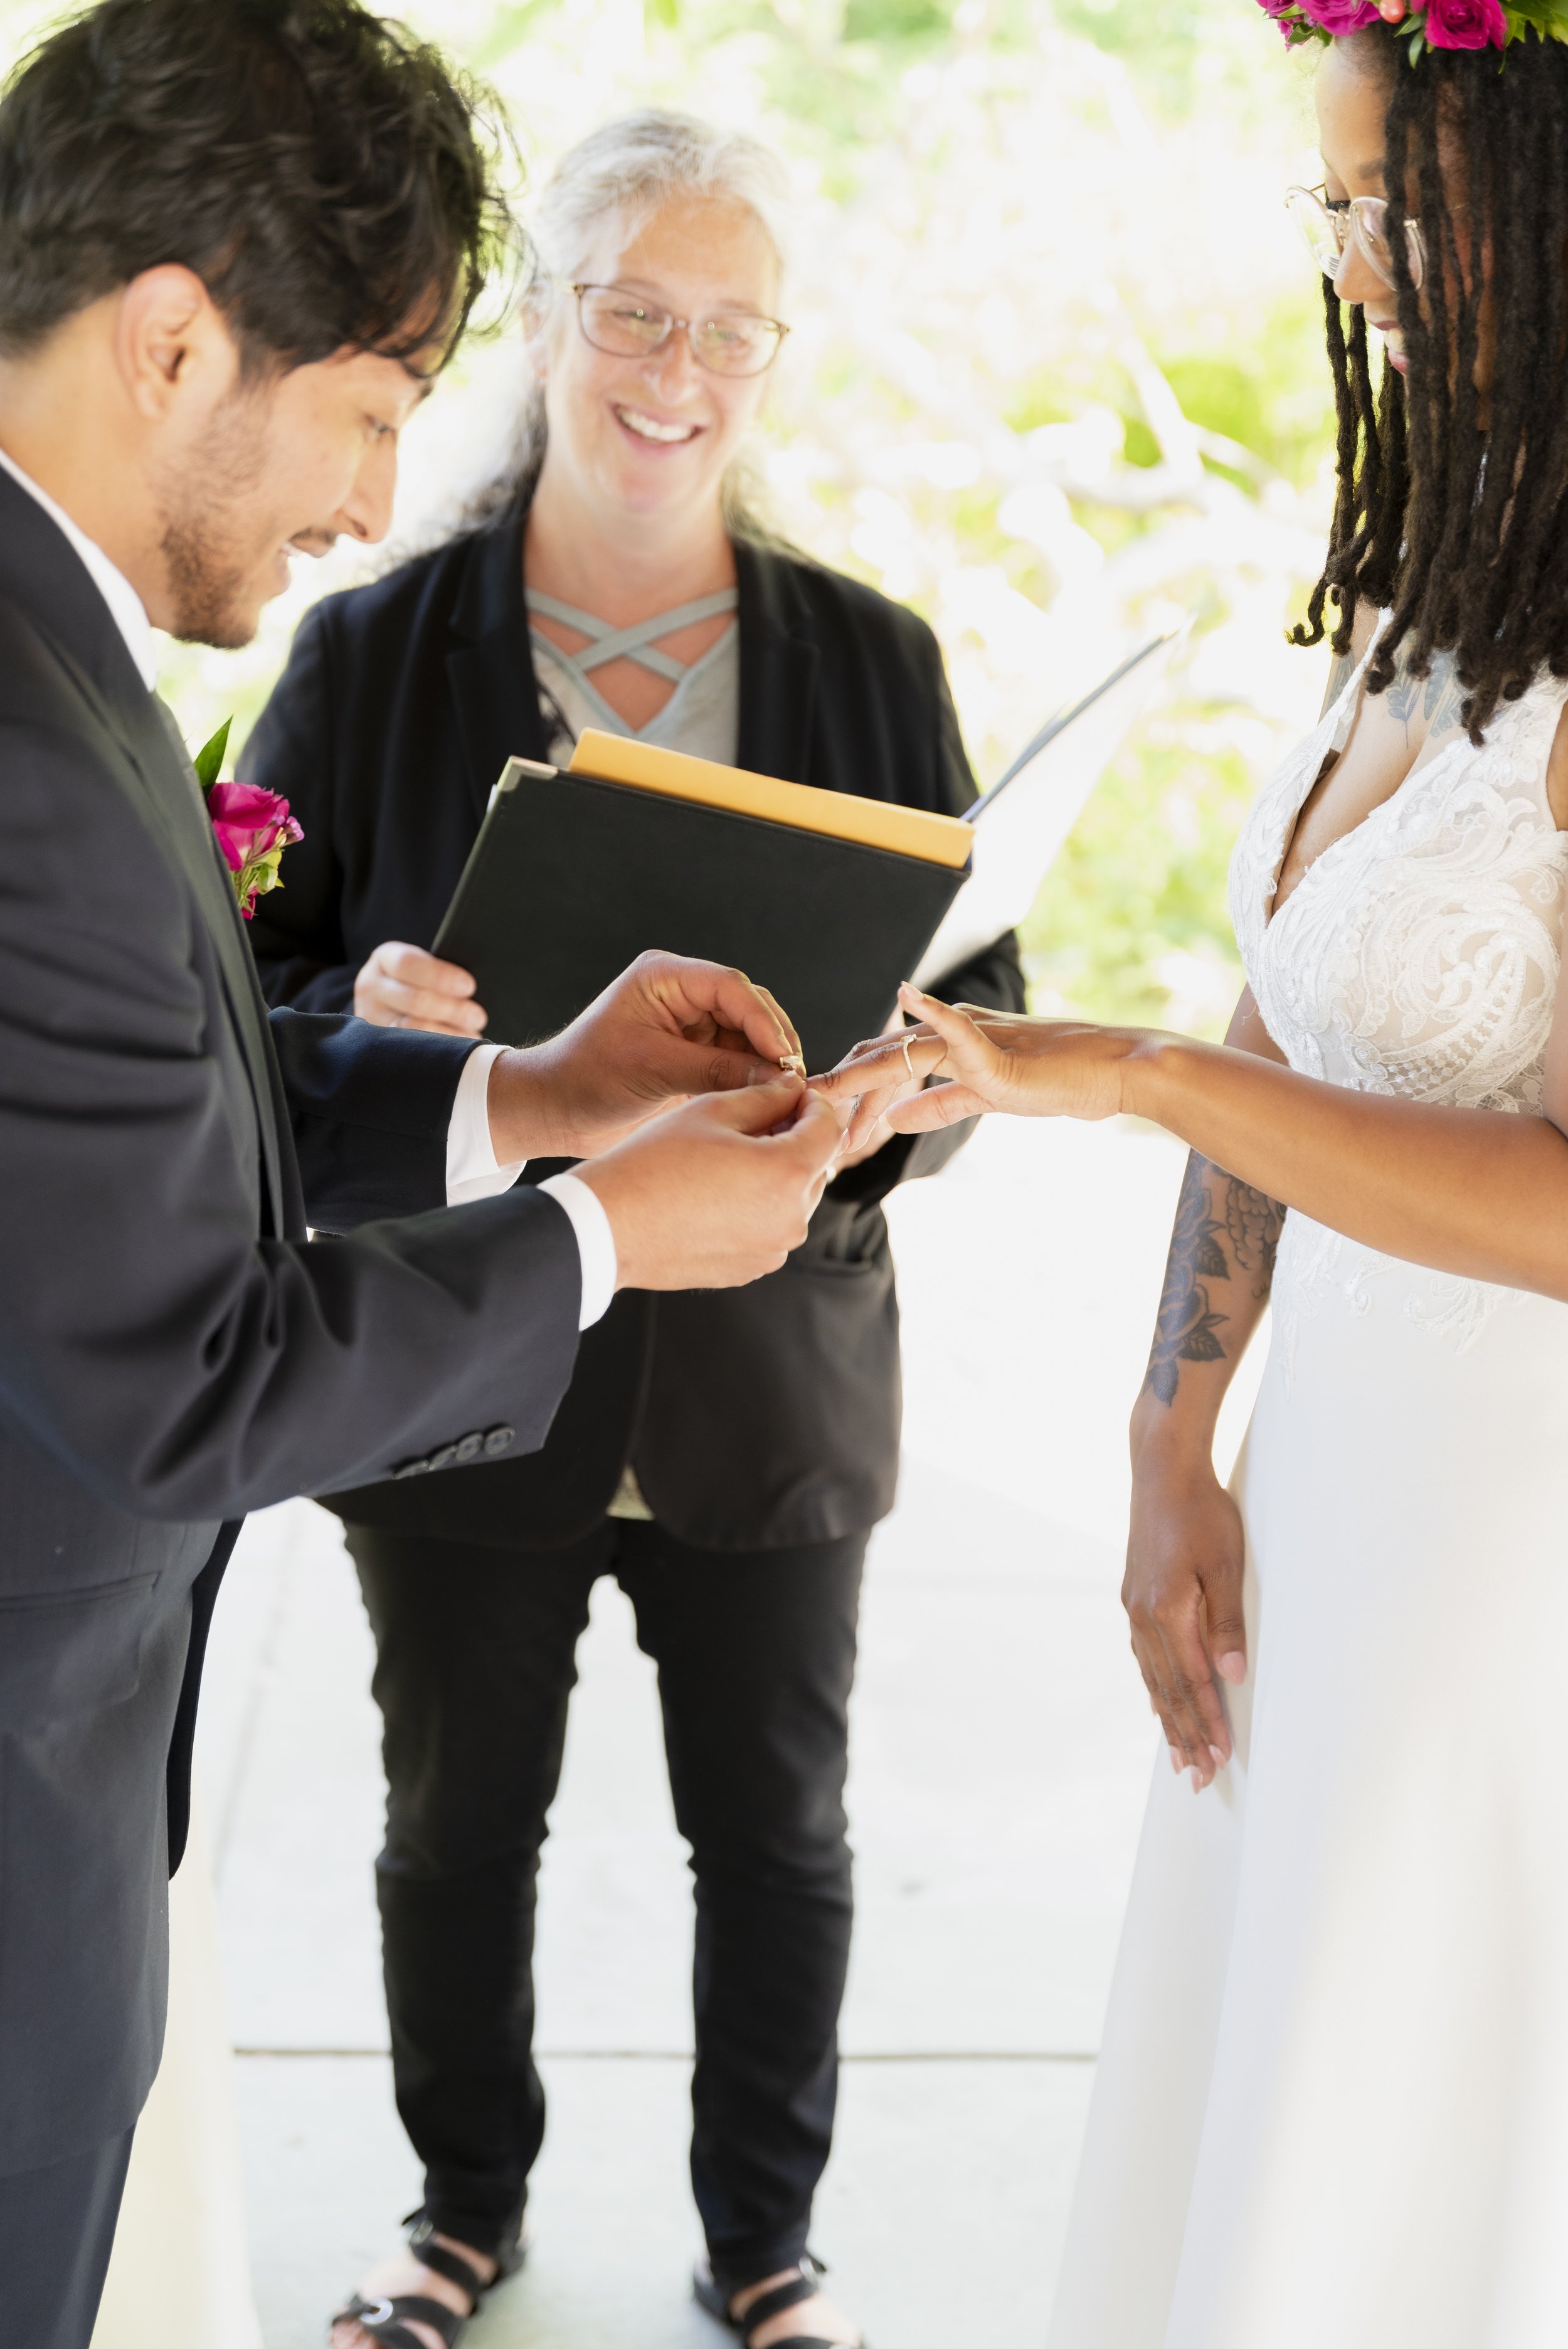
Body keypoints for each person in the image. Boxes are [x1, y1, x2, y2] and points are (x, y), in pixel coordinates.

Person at [0, 11, 846, 2345]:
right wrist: (598, 1236)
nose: (375, 499)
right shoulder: (39, 739)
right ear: (175, 339)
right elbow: (180, 1381)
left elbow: (100, 1135)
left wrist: (517, 1101)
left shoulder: (55, 658)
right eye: (369, 413)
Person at [243, 108, 1025, 2349]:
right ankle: (455, 2211)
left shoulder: (868, 662)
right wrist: (362, 1013)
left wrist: (878, 1100)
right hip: (463, 1351)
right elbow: (241, 1001)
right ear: (553, 325)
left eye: (729, 331)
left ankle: (764, 2245)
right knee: (450, 1819)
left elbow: (978, 1017)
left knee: (773, 1831)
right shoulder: (375, 650)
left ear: (772, 360)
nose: (675, 371)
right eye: (633, 313)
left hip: (773, 1368)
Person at [820, 9, 1568, 2343]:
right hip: (1333, 1500)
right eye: (1324, 207)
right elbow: (1293, 1008)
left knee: (1433, 2108)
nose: (1343, 271)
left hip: (1507, 1553)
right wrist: (1171, 1444)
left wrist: (1125, 1071)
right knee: (1274, 2105)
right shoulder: (1434, 596)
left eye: (1388, 214)